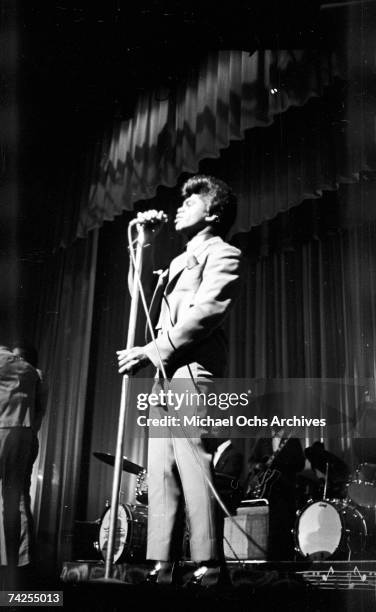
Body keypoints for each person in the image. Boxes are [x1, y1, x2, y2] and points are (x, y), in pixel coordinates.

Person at [117, 175, 243, 585]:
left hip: (191, 372)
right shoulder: (174, 263)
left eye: (192, 201)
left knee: (192, 467)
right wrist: (141, 245)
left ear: (214, 212)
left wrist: (151, 351)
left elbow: (206, 313)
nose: (180, 205)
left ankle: (207, 563)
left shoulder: (224, 253)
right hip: (162, 378)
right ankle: (162, 563)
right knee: (161, 473)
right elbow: (141, 300)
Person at [0, 344, 46, 588]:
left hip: (8, 432)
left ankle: (16, 562)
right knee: (18, 500)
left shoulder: (9, 363)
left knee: (14, 501)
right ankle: (21, 562)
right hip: (28, 436)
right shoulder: (36, 375)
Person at [245, 428, 305, 561]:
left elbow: (300, 464)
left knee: (285, 528)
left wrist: (282, 464)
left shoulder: (292, 439)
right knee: (268, 530)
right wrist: (258, 466)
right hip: (267, 493)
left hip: (286, 491)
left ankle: (286, 563)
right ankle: (269, 562)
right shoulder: (263, 439)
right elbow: (251, 462)